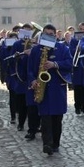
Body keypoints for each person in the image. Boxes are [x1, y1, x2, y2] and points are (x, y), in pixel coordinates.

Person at [27, 24, 72, 155]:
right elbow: (30, 69)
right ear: (43, 35)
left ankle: (55, 143)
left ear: (55, 35)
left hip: (58, 88)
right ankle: (47, 144)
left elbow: (69, 64)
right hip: (43, 88)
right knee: (45, 118)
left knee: (57, 119)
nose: (49, 37)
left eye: (51, 35)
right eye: (46, 34)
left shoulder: (62, 48)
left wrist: (55, 64)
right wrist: (33, 80)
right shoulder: (36, 50)